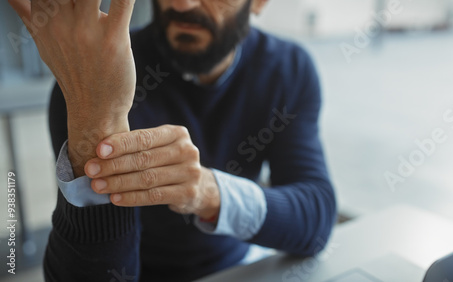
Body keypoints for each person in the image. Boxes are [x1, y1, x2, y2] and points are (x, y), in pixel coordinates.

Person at [9, 0, 337, 281]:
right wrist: (96, 113)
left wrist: (208, 192)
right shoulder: (93, 74)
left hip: (236, 270)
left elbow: (316, 216)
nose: (181, 4)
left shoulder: (288, 69)